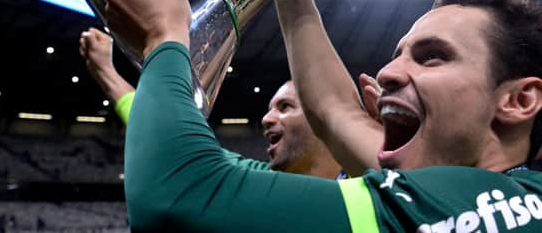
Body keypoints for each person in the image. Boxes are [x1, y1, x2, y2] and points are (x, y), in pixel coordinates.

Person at [105, 0, 542, 232]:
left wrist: (165, 38)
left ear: (519, 101)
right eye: (398, 54)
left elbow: (175, 195)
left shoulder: (516, 213)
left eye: (431, 57)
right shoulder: (452, 203)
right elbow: (334, 109)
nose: (386, 72)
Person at [78, 28, 347, 179]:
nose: (266, 119)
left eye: (285, 107)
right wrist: (106, 71)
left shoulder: (378, 196)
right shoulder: (256, 182)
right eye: (270, 109)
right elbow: (169, 138)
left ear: (324, 116)